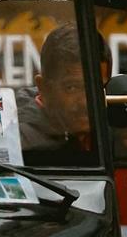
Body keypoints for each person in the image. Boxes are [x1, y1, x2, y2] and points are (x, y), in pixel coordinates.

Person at [17, 24, 106, 152]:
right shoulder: (20, 145)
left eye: (96, 88)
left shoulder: (112, 134)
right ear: (43, 88)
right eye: (71, 87)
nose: (84, 102)